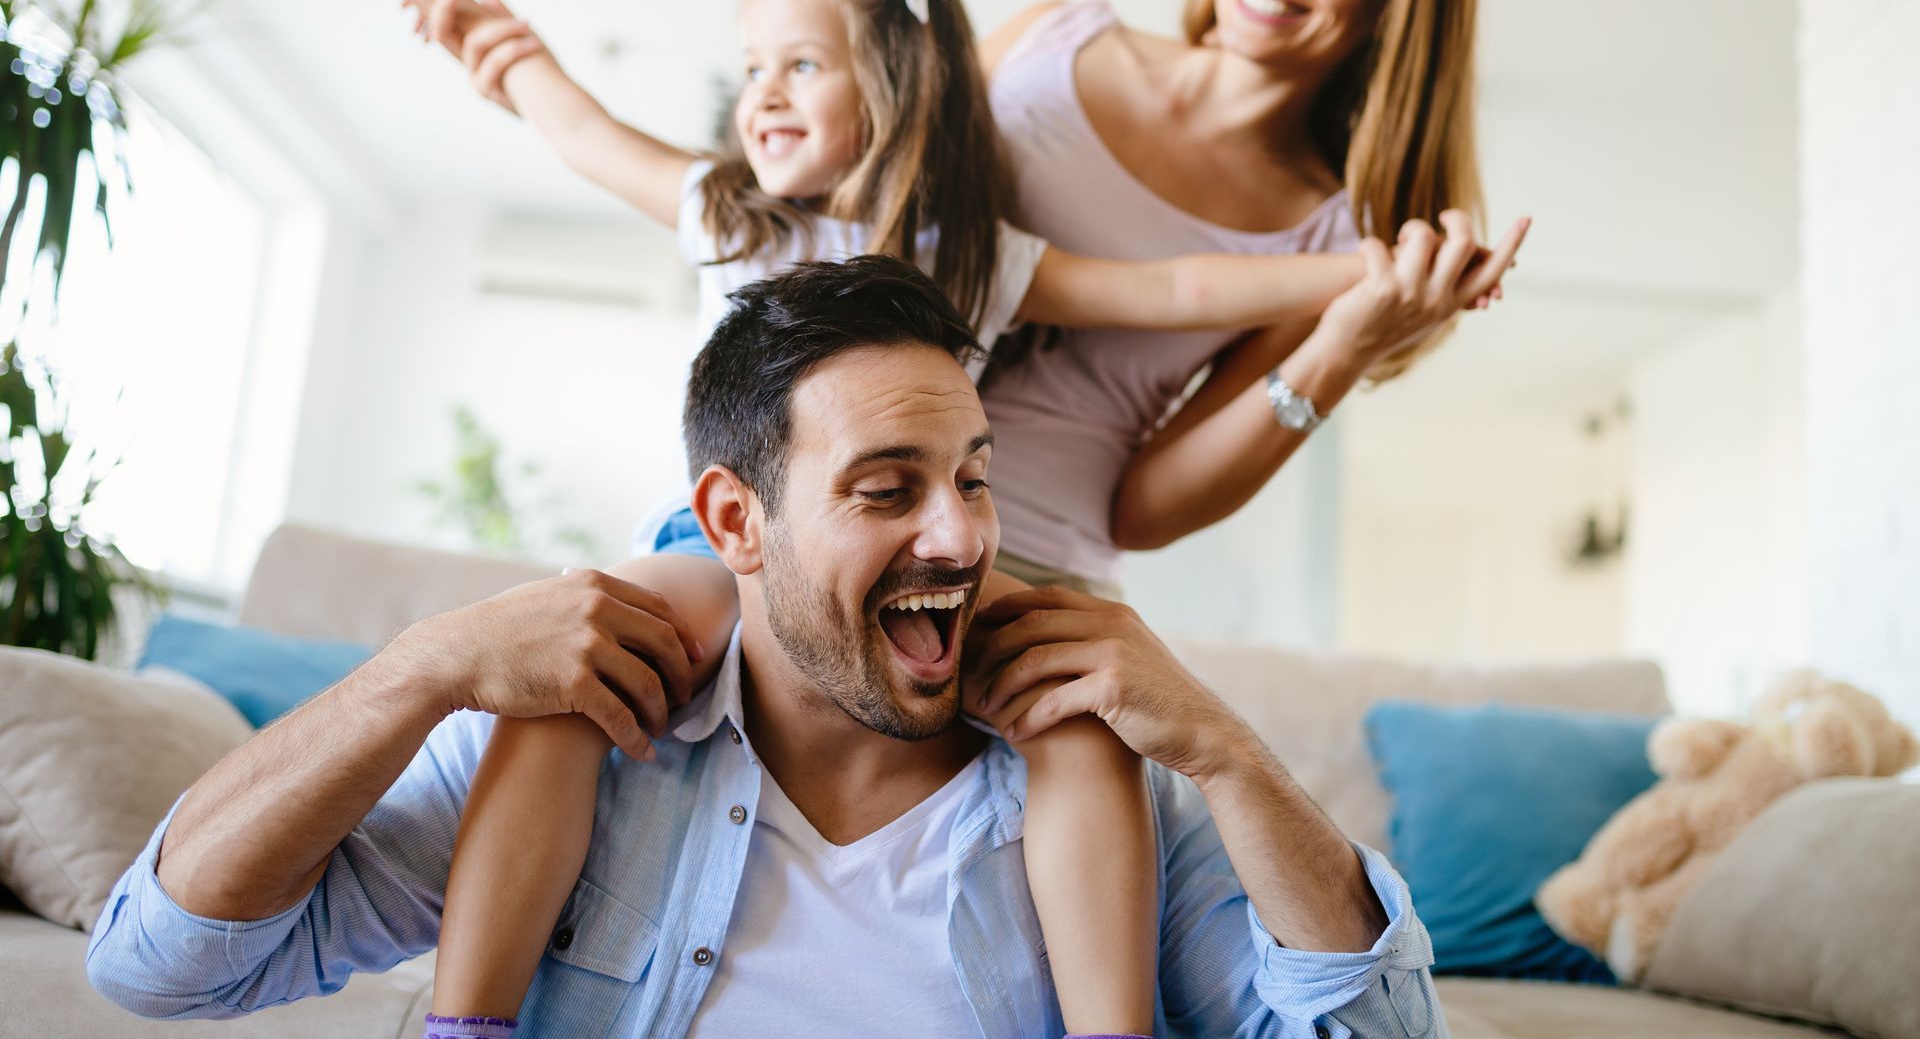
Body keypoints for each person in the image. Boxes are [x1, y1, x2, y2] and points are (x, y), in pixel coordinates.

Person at [396, 0, 1510, 1035]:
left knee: (1082, 726)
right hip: (717, 553)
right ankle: (468, 1021)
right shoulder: (731, 208)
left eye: (798, 64)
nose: (761, 95)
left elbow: (1179, 282)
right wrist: (509, 55)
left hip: (936, 583)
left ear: (889, 87)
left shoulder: (980, 254)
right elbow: (587, 134)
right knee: (571, 676)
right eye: (751, 68)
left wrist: (1379, 274)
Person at [87, 257, 1449, 1038]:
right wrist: (420, 667)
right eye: (886, 488)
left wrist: (1225, 751)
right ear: (734, 520)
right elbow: (158, 964)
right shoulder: (588, 734)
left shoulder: (1100, 766)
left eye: (975, 478)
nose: (960, 537)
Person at [977, 0, 1524, 592]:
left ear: (1393, 1)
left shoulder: (1330, 238)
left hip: (1027, 567)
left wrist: (1344, 347)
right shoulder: (1044, 41)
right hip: (830, 500)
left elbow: (1144, 513)